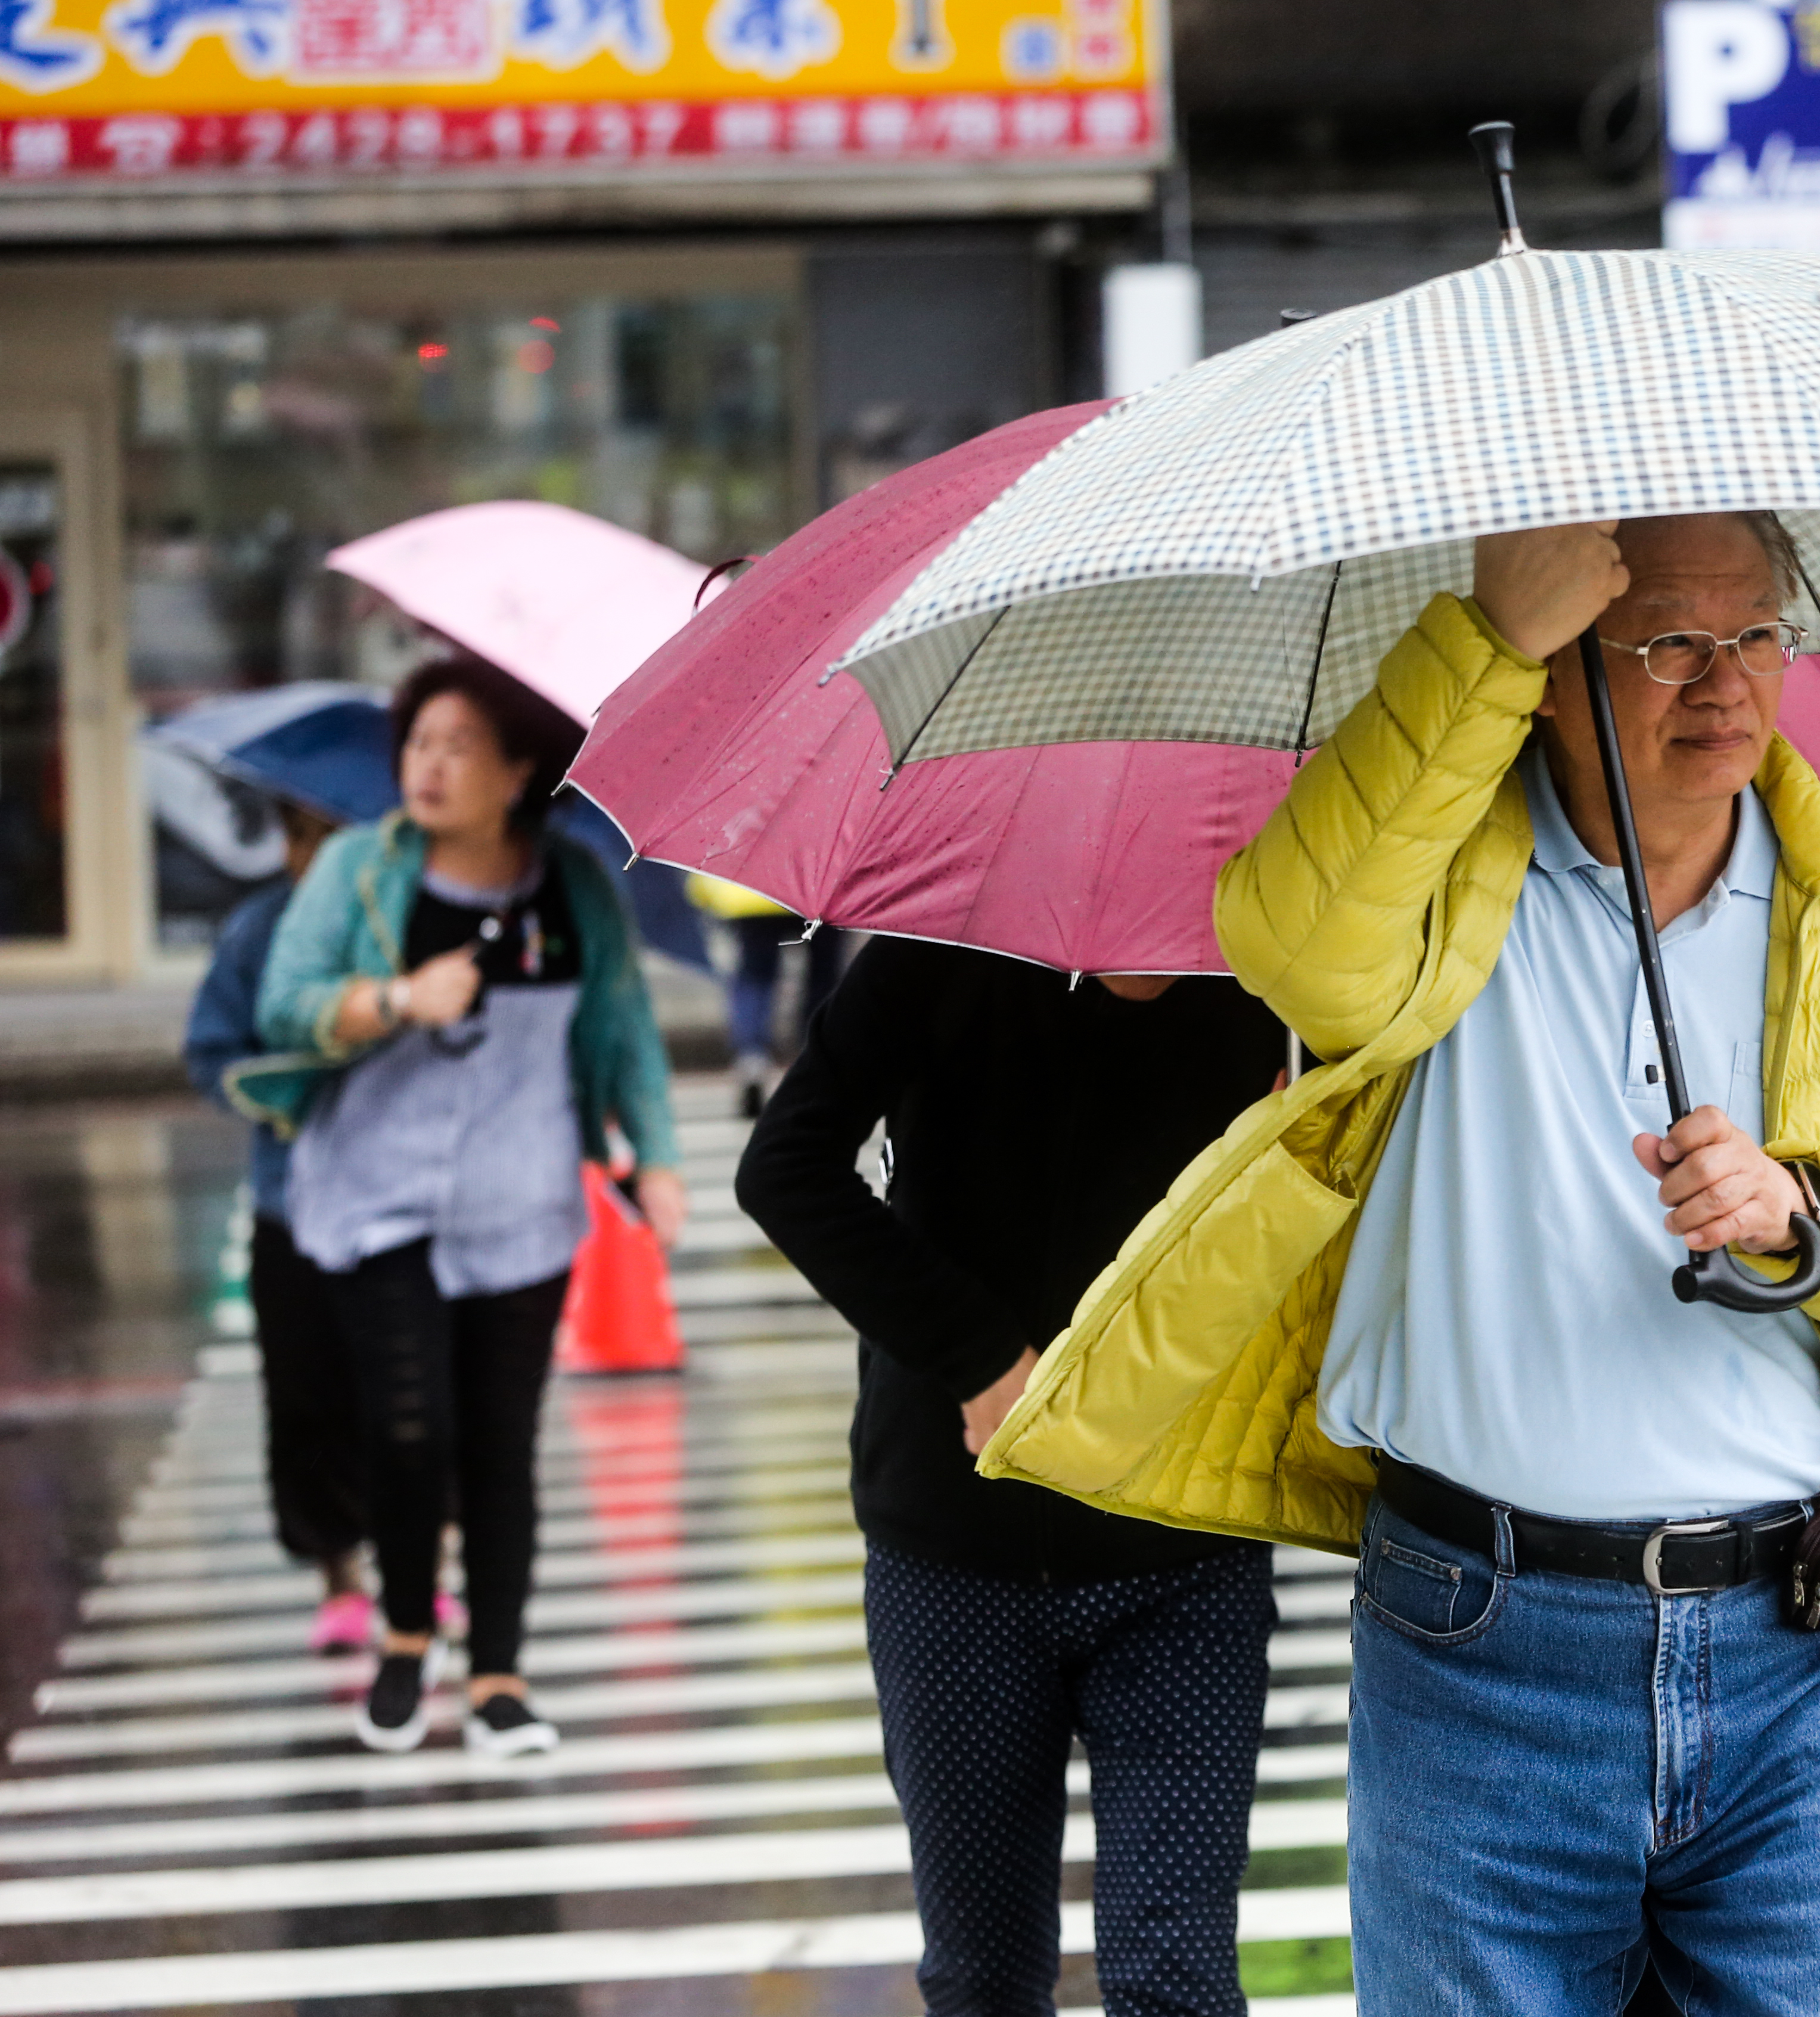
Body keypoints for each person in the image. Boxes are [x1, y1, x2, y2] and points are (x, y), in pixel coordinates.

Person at [976, 513, 1820, 2016]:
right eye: (1667, 642)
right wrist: (1481, 640)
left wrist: (1811, 1210)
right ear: (1556, 670)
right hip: (1477, 1648)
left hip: (1803, 1649)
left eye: (1757, 635)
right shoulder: (1427, 892)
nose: (1725, 684)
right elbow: (1292, 941)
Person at [737, 941, 1284, 2016]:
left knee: (1173, 1977)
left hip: (1186, 1550)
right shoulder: (942, 946)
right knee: (983, 1977)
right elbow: (784, 1168)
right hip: (953, 1551)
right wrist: (979, 1355)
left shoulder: (1281, 968)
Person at [241, 655, 685, 1758]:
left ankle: (498, 1674)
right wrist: (393, 997)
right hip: (375, 1196)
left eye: (458, 747)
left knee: (499, 1442)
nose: (428, 766)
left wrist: (658, 1158)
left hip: (520, 1205)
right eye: (419, 742)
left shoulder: (573, 885)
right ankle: (405, 1638)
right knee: (409, 1425)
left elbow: (623, 1028)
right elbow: (283, 1005)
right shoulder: (358, 868)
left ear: (519, 771)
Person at [184, 799, 369, 1654]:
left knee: (415, 1396)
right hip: (289, 1199)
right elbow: (211, 1051)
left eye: (333, 835)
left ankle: (426, 1570)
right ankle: (338, 1574)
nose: (315, 854)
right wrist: (275, 1083)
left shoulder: (400, 917)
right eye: (300, 836)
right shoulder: (258, 930)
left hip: (402, 1202)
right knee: (305, 1393)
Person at [688, 872, 847, 1118]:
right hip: (824, 886)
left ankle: (753, 1059)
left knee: (755, 977)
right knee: (822, 979)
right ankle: (815, 1059)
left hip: (752, 889)